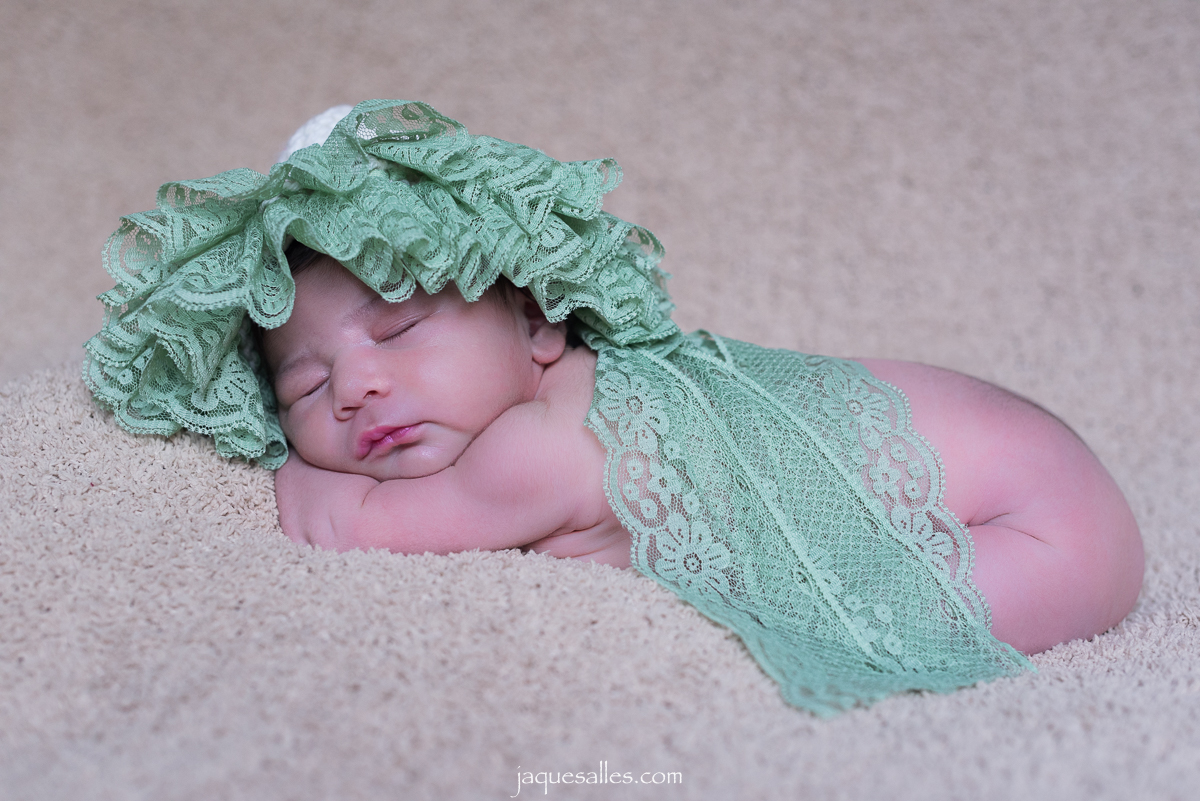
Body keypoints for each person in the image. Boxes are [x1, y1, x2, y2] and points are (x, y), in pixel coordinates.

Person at [84, 100, 1143, 714]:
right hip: (1029, 464)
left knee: (870, 629)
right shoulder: (585, 404)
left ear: (544, 324)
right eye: (303, 386)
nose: (355, 387)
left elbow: (342, 524)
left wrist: (299, 460)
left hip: (1039, 530)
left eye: (399, 332)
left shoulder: (536, 451)